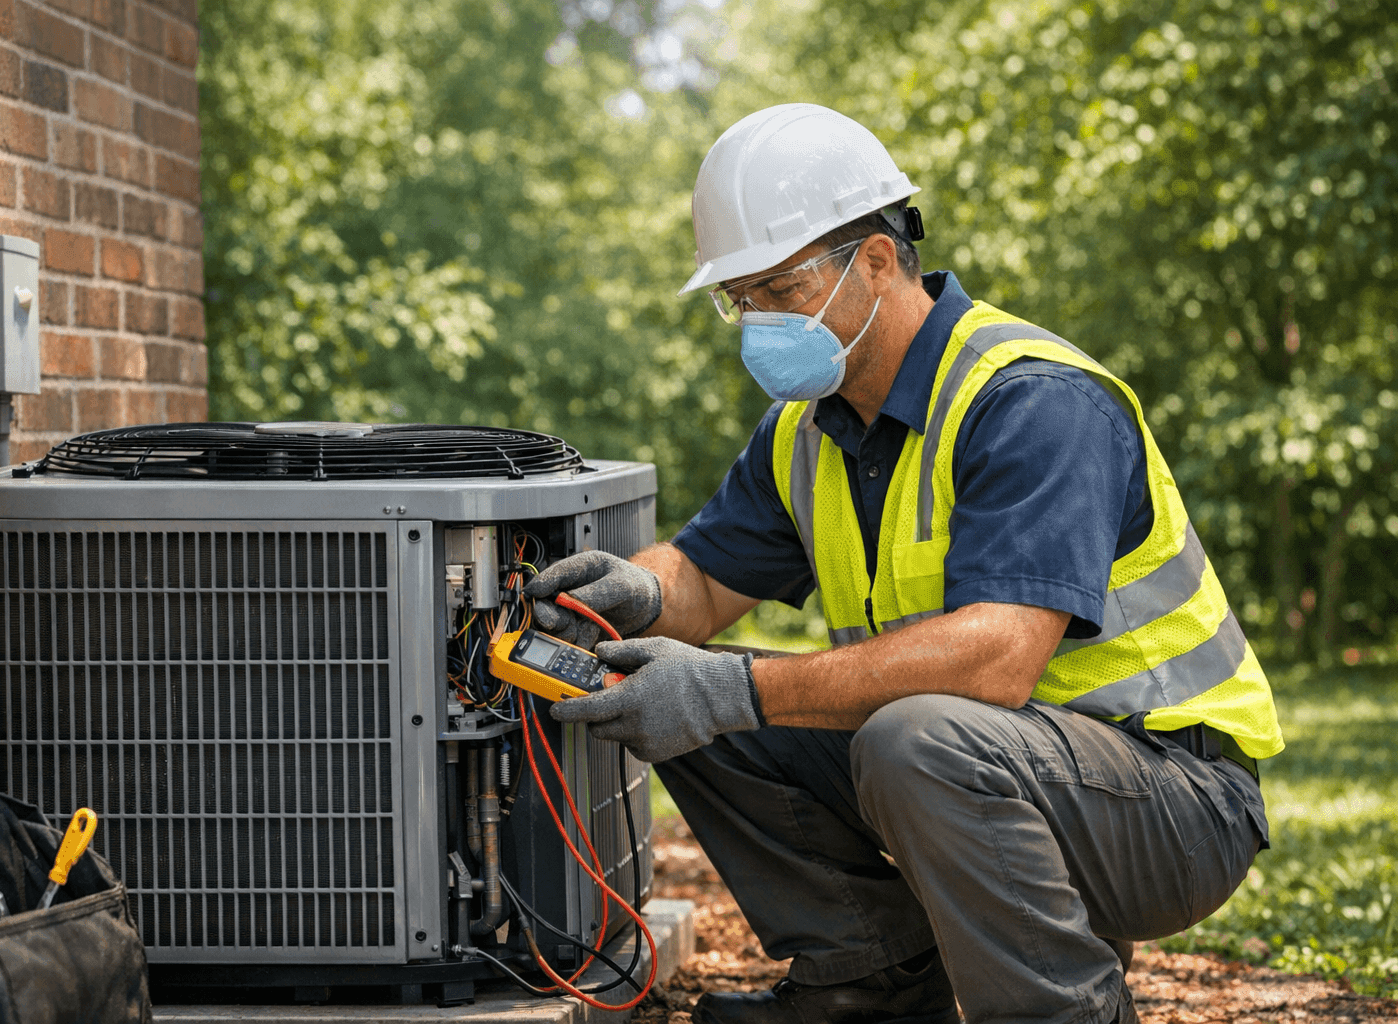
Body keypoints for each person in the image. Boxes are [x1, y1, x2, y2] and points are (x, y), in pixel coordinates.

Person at [522, 103, 1283, 1024]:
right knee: (689, 702)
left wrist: (734, 686)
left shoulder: (1033, 401)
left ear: (877, 262)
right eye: (741, 298)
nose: (758, 320)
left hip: (1176, 802)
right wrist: (637, 595)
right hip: (997, 768)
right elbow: (706, 581)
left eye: (782, 288)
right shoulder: (806, 434)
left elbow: (998, 660)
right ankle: (870, 985)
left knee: (901, 733)